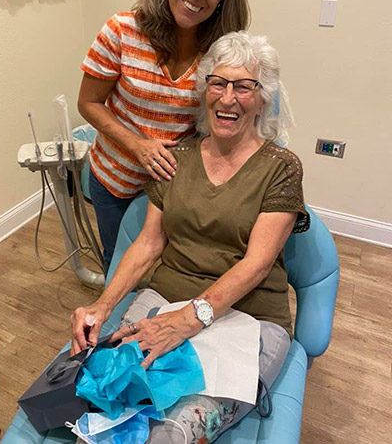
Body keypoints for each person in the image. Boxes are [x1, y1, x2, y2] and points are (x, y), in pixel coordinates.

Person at [71, 31, 310, 443]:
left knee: (170, 433)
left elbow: (256, 265)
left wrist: (188, 320)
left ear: (264, 98)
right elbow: (148, 244)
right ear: (204, 92)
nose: (228, 98)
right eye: (217, 83)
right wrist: (101, 304)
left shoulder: (282, 168)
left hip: (250, 317)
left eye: (244, 86)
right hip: (164, 299)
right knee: (107, 403)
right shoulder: (176, 157)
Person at [77, 0, 250, 272]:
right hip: (114, 181)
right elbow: (88, 103)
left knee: (170, 269)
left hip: (176, 190)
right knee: (119, 264)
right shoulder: (121, 32)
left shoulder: (220, 53)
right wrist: (139, 145)